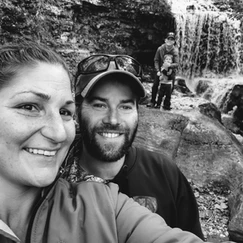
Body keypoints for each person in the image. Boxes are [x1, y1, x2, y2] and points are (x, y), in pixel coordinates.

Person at [0, 41, 208, 243]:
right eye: (29, 107)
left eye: (126, 106)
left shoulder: (110, 202)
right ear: (79, 112)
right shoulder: (62, 175)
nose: (57, 134)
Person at [65, 54, 205, 240]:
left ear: (138, 112)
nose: (113, 119)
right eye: (99, 105)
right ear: (77, 109)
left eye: (125, 107)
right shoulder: (54, 176)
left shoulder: (164, 173)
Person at [147, 32, 179, 110]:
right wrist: (158, 70)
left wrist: (169, 66)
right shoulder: (160, 49)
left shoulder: (175, 51)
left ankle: (166, 104)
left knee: (170, 88)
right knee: (155, 85)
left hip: (171, 71)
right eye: (168, 39)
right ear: (165, 40)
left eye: (172, 39)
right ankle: (153, 101)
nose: (170, 41)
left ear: (174, 41)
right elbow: (156, 60)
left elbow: (177, 64)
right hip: (161, 70)